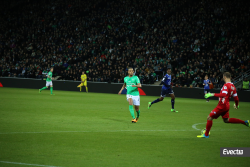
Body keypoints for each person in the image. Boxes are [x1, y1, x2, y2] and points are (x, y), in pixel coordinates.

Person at [197, 72, 249, 138]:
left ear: (224, 77)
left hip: (222, 105)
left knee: (209, 118)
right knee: (226, 120)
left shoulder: (226, 85)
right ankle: (245, 122)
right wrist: (236, 105)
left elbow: (224, 94)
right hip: (227, 105)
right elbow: (236, 98)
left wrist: (212, 94)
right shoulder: (233, 86)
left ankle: (206, 135)